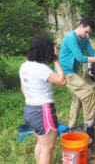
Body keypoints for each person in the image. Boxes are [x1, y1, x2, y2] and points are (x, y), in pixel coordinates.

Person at [58, 17, 95, 134]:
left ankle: (72, 127)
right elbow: (81, 58)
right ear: (80, 26)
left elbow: (93, 54)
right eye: (86, 31)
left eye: (89, 33)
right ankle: (89, 123)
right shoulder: (70, 38)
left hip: (72, 71)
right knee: (87, 92)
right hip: (65, 71)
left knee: (77, 98)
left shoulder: (85, 38)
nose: (87, 34)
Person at [19, 35, 66, 164]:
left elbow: (23, 88)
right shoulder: (42, 69)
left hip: (30, 109)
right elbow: (62, 81)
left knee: (40, 143)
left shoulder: (24, 66)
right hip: (43, 111)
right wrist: (56, 60)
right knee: (47, 148)